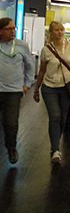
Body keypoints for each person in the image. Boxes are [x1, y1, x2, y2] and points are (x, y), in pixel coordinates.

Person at [34, 21, 70, 164]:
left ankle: (55, 143)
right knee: (55, 116)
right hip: (49, 87)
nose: (60, 32)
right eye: (56, 30)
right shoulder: (46, 50)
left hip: (67, 87)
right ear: (51, 33)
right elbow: (42, 70)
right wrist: (36, 89)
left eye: (61, 30)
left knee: (63, 118)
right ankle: (55, 149)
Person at [0, 17, 34, 164]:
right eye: (9, 29)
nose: (13, 31)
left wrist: (27, 85)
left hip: (13, 91)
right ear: (1, 31)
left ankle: (11, 148)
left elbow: (30, 66)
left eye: (14, 28)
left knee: (11, 123)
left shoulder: (21, 45)